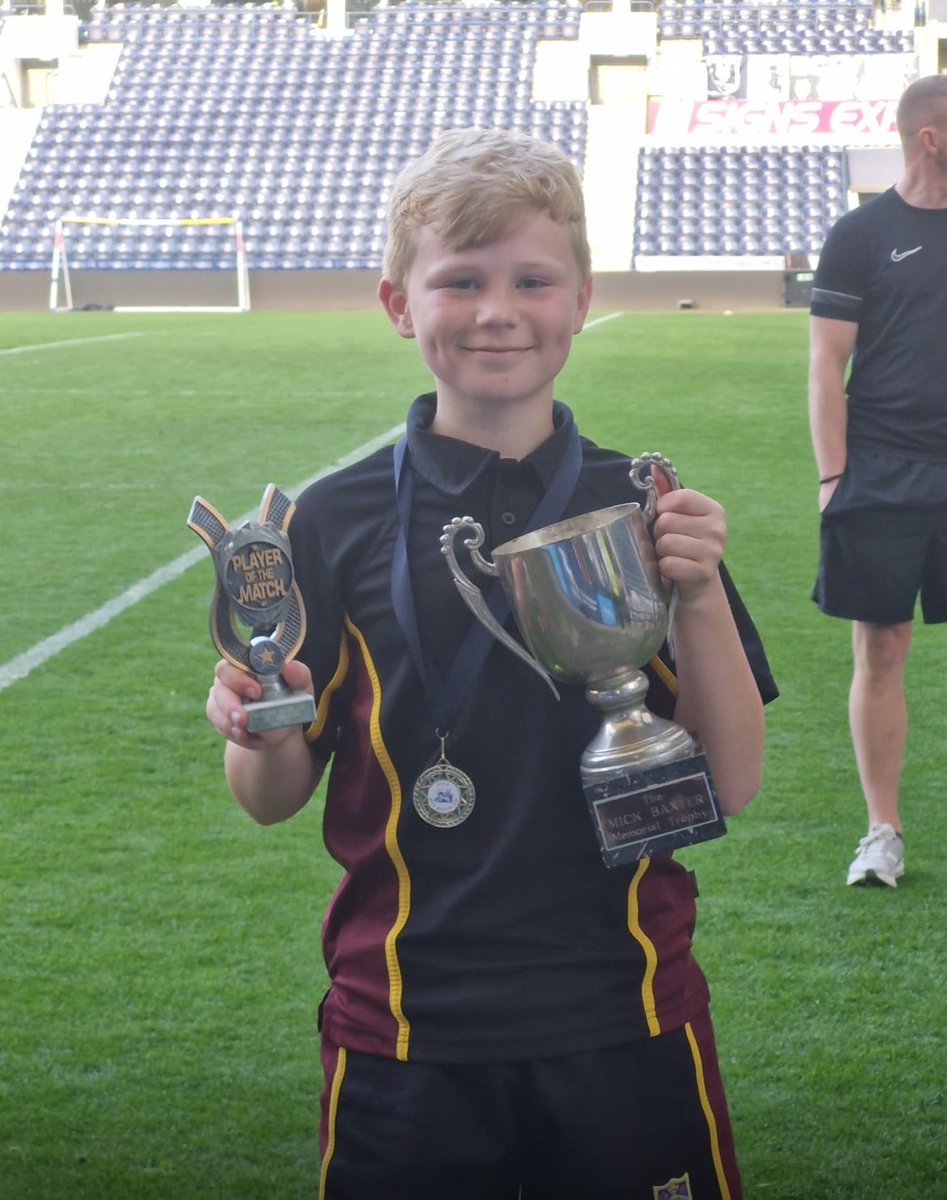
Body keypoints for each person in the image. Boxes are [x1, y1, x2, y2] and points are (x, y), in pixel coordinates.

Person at [206, 126, 777, 1198]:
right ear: (398, 304)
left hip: (624, 1005)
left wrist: (695, 593)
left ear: (581, 298)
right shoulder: (330, 520)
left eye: (531, 280)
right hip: (404, 1019)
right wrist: (258, 719)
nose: (497, 311)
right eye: (460, 281)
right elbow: (268, 798)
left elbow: (731, 780)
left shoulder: (642, 504)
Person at [808, 73, 947, 888]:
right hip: (882, 469)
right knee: (881, 646)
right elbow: (826, 362)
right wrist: (832, 476)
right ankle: (880, 831)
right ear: (929, 136)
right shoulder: (861, 234)